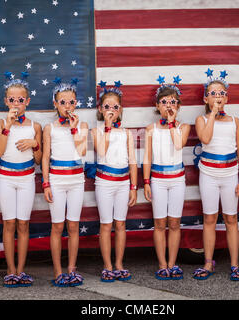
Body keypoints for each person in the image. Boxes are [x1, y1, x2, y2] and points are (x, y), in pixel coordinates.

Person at [0, 72, 42, 288]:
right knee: (9, 222)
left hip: (26, 177)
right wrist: (8, 127)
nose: (16, 104)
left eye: (20, 100)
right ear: (5, 101)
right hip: (6, 178)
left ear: (27, 101)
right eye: (12, 100)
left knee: (23, 223)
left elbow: (38, 160)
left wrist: (34, 144)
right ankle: (10, 270)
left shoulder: (34, 127)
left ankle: (21, 269)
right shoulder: (0, 122)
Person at [193, 69, 239, 281]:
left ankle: (234, 264)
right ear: (205, 98)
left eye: (221, 93)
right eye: (213, 93)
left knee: (231, 218)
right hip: (208, 173)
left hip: (230, 173)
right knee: (209, 218)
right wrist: (213, 115)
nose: (218, 96)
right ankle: (208, 262)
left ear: (227, 97)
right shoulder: (201, 119)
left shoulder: (235, 121)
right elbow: (205, 139)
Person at [88, 81, 137, 282]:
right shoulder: (96, 131)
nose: (111, 110)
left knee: (121, 224)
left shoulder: (126, 133)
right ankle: (107, 265)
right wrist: (107, 128)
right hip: (105, 183)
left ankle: (119, 263)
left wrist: (134, 187)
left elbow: (133, 161)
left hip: (123, 183)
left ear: (120, 110)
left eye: (115, 107)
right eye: (107, 107)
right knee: (106, 224)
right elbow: (102, 151)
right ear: (100, 109)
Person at [143, 76, 191, 280]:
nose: (168, 105)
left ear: (178, 106)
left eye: (172, 102)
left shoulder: (183, 127)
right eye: (164, 102)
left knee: (174, 222)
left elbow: (178, 145)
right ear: (157, 106)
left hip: (177, 179)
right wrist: (146, 181)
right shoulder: (151, 129)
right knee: (160, 223)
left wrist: (172, 124)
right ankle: (162, 263)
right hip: (158, 179)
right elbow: (146, 158)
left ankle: (173, 263)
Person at [42, 78, 88, 287]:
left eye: (71, 102)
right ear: (55, 103)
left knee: (73, 225)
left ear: (76, 103)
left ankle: (72, 268)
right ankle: (58, 271)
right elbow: (45, 157)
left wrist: (74, 129)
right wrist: (46, 183)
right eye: (63, 102)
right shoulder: (49, 127)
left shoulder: (83, 125)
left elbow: (82, 152)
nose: (67, 106)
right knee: (57, 226)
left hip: (76, 180)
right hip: (57, 180)